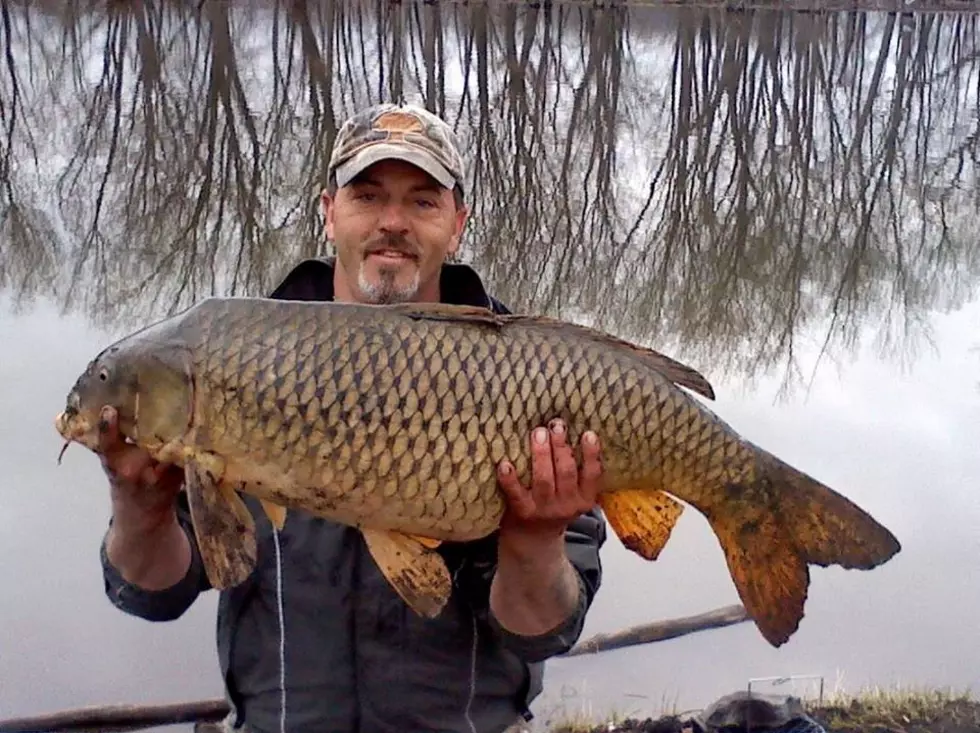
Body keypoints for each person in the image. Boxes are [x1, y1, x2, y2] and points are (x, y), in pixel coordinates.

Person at [96, 102, 608, 733]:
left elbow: (542, 632)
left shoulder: (529, 378)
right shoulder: (230, 361)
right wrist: (137, 504)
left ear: (457, 225)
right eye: (367, 196)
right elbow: (153, 594)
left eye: (422, 201)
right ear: (329, 211)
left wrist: (535, 542)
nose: (392, 222)